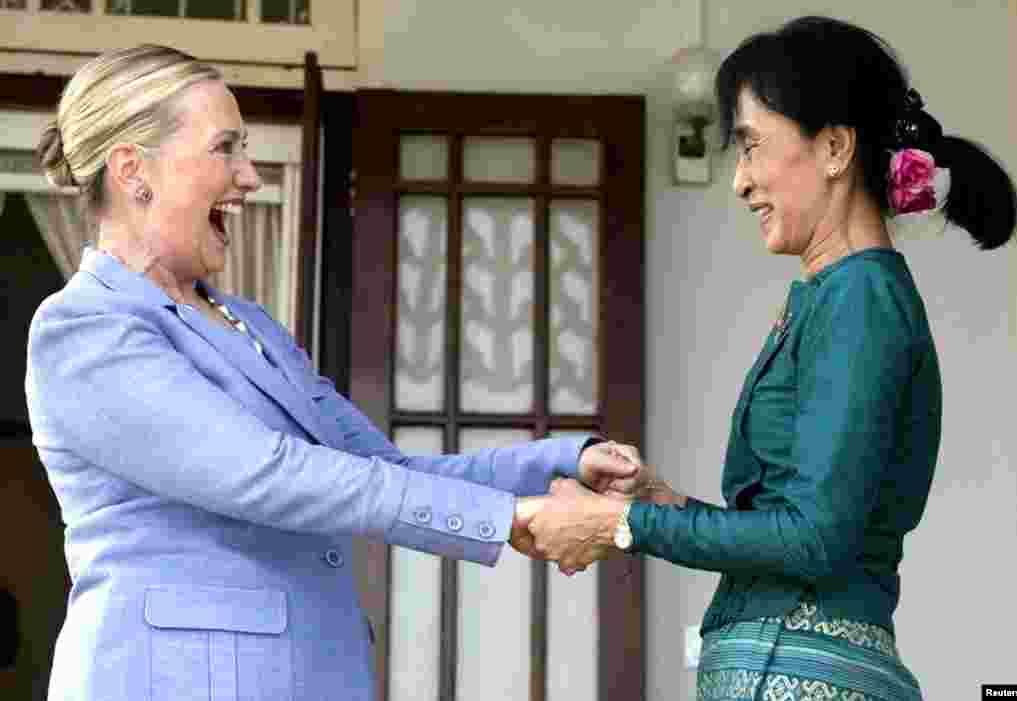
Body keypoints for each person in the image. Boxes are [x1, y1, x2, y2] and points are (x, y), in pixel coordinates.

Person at [24, 45, 640, 701]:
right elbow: (266, 471)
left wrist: (560, 465)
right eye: (225, 149)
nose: (249, 176)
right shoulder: (84, 329)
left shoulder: (247, 322)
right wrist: (510, 517)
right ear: (131, 170)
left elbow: (382, 471)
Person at [522, 15, 1017, 701]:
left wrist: (625, 524)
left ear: (836, 147)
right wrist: (660, 504)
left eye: (753, 147)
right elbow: (797, 523)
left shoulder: (861, 297)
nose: (741, 182)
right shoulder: (837, 295)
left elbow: (814, 537)